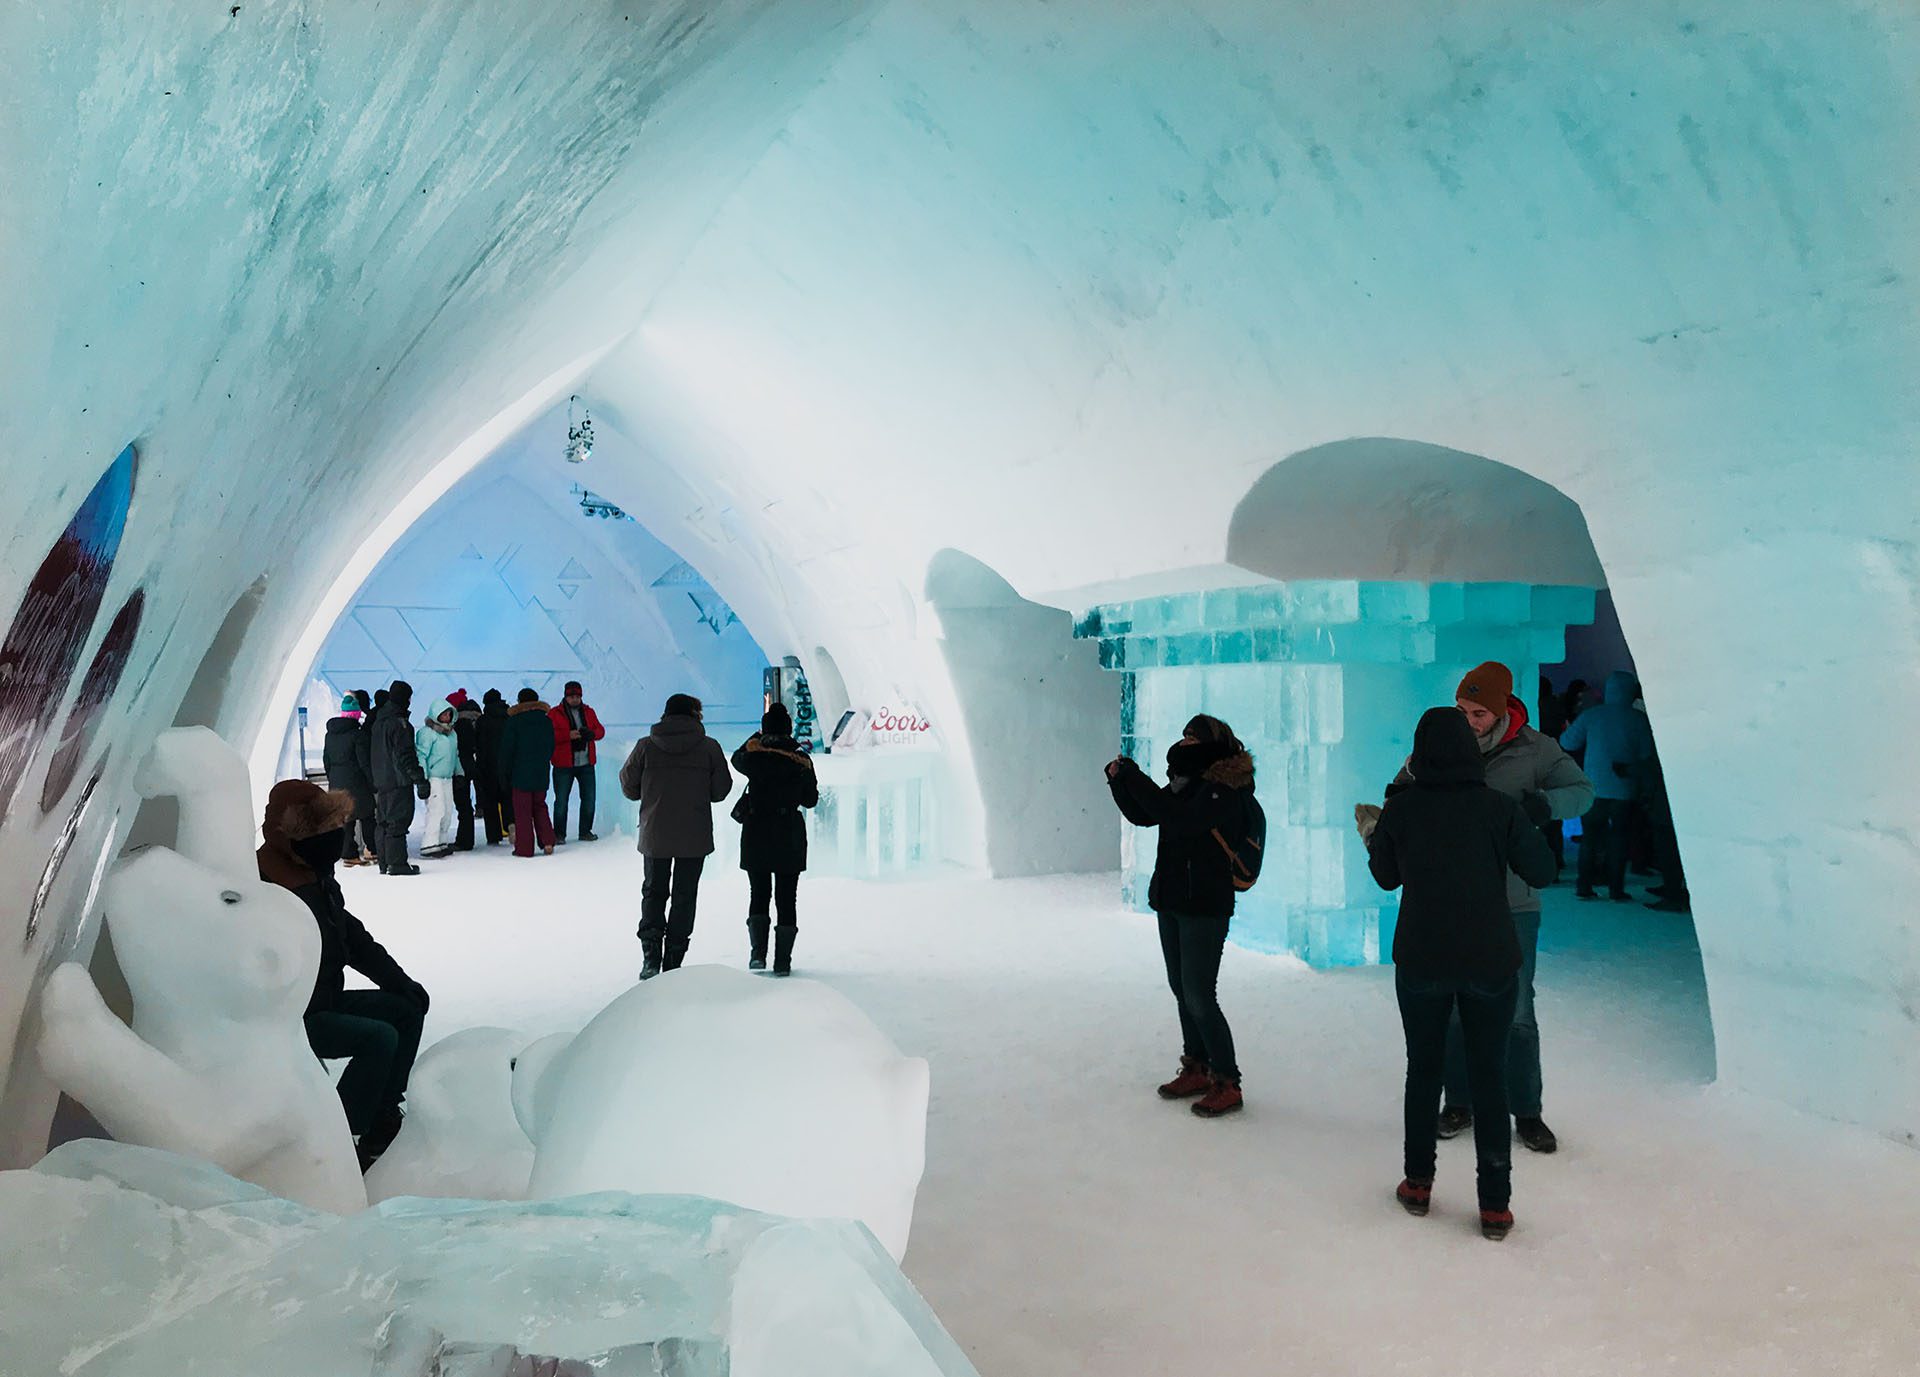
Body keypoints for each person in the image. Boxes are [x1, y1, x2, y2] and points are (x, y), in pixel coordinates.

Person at [1363, 708, 1557, 1241]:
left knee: (1423, 1070)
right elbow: (1542, 871)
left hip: (1423, 956)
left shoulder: (1403, 810)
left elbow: (1384, 878)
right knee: (1489, 1075)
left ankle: (1418, 1184)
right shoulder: (1498, 808)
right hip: (1490, 958)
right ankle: (1495, 1206)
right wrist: (1529, 818)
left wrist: (1378, 831)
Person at [1390, 661, 1593, 1154]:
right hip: (1447, 902)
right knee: (1456, 1009)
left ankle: (1526, 1110)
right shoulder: (1435, 748)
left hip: (1512, 902)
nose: (1468, 720)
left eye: (1478, 712)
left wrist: (1542, 806)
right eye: (1462, 710)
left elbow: (1582, 792)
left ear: (1502, 709)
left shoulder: (1536, 748)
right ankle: (1459, 1102)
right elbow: (1397, 790)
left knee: (1518, 1012)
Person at [255, 779, 429, 1170]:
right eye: (323, 832)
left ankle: (382, 1114)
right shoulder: (265, 884)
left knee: (405, 1010)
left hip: (325, 1001)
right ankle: (340, 1138)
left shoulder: (314, 875)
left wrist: (398, 982)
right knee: (378, 1038)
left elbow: (350, 936)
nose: (334, 841)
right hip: (289, 1018)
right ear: (293, 836)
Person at [1106, 714, 1257, 1119]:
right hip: (1174, 899)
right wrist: (1120, 781)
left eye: (1196, 737)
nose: (1187, 742)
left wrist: (1132, 776)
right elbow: (1147, 814)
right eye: (1185, 735)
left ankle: (1227, 1080)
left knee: (1199, 994)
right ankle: (1197, 1065)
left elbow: (1178, 818)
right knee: (1182, 989)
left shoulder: (1224, 789)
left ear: (1216, 744)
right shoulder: (1186, 784)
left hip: (1205, 905)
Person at [618, 693, 733, 979]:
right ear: (695, 715)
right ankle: (673, 961)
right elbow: (720, 791)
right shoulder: (709, 748)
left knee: (654, 891)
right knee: (685, 896)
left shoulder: (645, 747)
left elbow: (629, 787)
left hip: (655, 832)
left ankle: (650, 958)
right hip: (694, 835)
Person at [731, 703, 820, 974]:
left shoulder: (754, 757)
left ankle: (758, 954)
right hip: (788, 832)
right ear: (789, 728)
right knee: (786, 897)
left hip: (757, 829)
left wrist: (757, 737)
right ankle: (783, 960)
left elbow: (736, 758)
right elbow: (811, 799)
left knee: (758, 893)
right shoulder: (800, 759)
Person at [1559, 670, 1652, 903]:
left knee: (1590, 838)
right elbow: (1646, 753)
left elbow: (1568, 741)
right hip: (1624, 788)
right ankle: (1616, 888)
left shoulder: (1593, 716)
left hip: (1594, 787)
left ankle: (1584, 885)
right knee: (1619, 839)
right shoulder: (1638, 719)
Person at [368, 679, 430, 877]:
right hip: (398, 780)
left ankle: (385, 863)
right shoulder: (400, 723)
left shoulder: (379, 722)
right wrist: (418, 778)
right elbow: (405, 755)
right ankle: (397, 864)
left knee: (383, 822)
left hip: (381, 779)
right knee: (398, 821)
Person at [548, 680, 606, 843]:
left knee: (589, 799)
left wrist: (591, 734)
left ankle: (585, 831)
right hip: (563, 764)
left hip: (586, 763)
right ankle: (559, 834)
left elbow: (600, 731)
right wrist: (568, 736)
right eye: (571, 696)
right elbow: (548, 735)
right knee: (561, 801)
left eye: (577, 696)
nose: (574, 699)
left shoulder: (589, 712)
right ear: (565, 697)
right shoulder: (554, 713)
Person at [322, 691, 377, 866]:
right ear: (355, 714)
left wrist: (333, 778)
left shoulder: (329, 735)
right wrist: (371, 781)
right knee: (367, 816)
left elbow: (326, 760)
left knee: (345, 820)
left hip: (337, 782)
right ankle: (373, 849)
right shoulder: (357, 735)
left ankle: (349, 854)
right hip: (357, 782)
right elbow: (364, 762)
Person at [504, 687, 558, 858]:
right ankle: (548, 842)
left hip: (520, 773)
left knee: (523, 811)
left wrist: (505, 771)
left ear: (520, 702)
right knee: (540, 807)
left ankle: (525, 848)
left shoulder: (514, 721)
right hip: (541, 771)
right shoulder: (546, 721)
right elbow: (551, 746)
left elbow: (508, 750)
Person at [415, 697, 460, 859]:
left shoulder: (452, 734)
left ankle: (441, 841)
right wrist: (423, 778)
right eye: (443, 714)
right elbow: (421, 756)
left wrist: (459, 773)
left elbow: (455, 756)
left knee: (447, 811)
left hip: (447, 778)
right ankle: (429, 843)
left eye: (449, 714)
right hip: (434, 778)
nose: (446, 717)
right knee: (436, 810)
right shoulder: (427, 733)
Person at [474, 688, 511, 846]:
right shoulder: (509, 717)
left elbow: (480, 746)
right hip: (508, 766)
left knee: (490, 803)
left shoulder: (483, 720)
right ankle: (511, 827)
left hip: (489, 767)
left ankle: (493, 835)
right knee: (508, 799)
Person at [449, 688, 479, 851]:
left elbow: (459, 748)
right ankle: (467, 839)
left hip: (461, 767)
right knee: (467, 805)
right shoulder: (477, 720)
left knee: (463, 805)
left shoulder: (459, 725)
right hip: (475, 765)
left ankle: (465, 840)